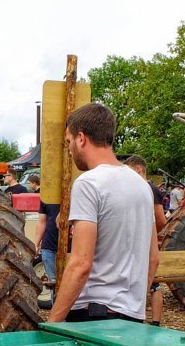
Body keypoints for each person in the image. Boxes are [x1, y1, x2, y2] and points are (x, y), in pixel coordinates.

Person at [48, 104, 157, 323]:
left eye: (68, 142)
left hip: (93, 314)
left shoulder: (89, 183)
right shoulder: (142, 185)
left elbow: (81, 264)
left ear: (81, 138)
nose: (69, 150)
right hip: (130, 315)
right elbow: (153, 259)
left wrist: (52, 323)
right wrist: (132, 304)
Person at [125, 155, 166, 326]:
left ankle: (155, 322)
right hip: (137, 244)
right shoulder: (137, 188)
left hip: (146, 246)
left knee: (154, 284)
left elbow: (161, 220)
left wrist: (145, 236)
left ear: (138, 169)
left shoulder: (149, 189)